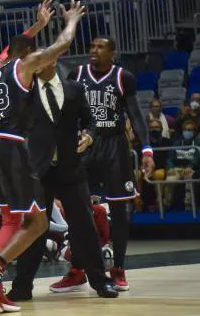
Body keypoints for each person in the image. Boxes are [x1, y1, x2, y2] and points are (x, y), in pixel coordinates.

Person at [0, 0, 87, 313]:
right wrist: (70, 21)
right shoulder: (25, 65)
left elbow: (13, 47)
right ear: (29, 54)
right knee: (38, 222)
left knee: (15, 218)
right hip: (11, 146)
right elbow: (63, 44)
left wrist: (36, 26)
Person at [50, 37, 156, 293]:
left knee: (120, 210)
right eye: (91, 46)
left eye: (100, 47)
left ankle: (117, 268)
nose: (93, 51)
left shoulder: (123, 77)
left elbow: (135, 114)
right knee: (77, 209)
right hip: (84, 144)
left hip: (113, 145)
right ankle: (77, 269)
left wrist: (147, 149)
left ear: (112, 53)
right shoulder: (78, 73)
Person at [6, 60, 118, 301]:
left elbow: (90, 122)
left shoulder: (74, 89)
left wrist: (89, 136)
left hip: (71, 168)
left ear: (53, 61)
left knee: (85, 227)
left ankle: (101, 281)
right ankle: (22, 287)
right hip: (38, 171)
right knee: (33, 229)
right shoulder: (26, 90)